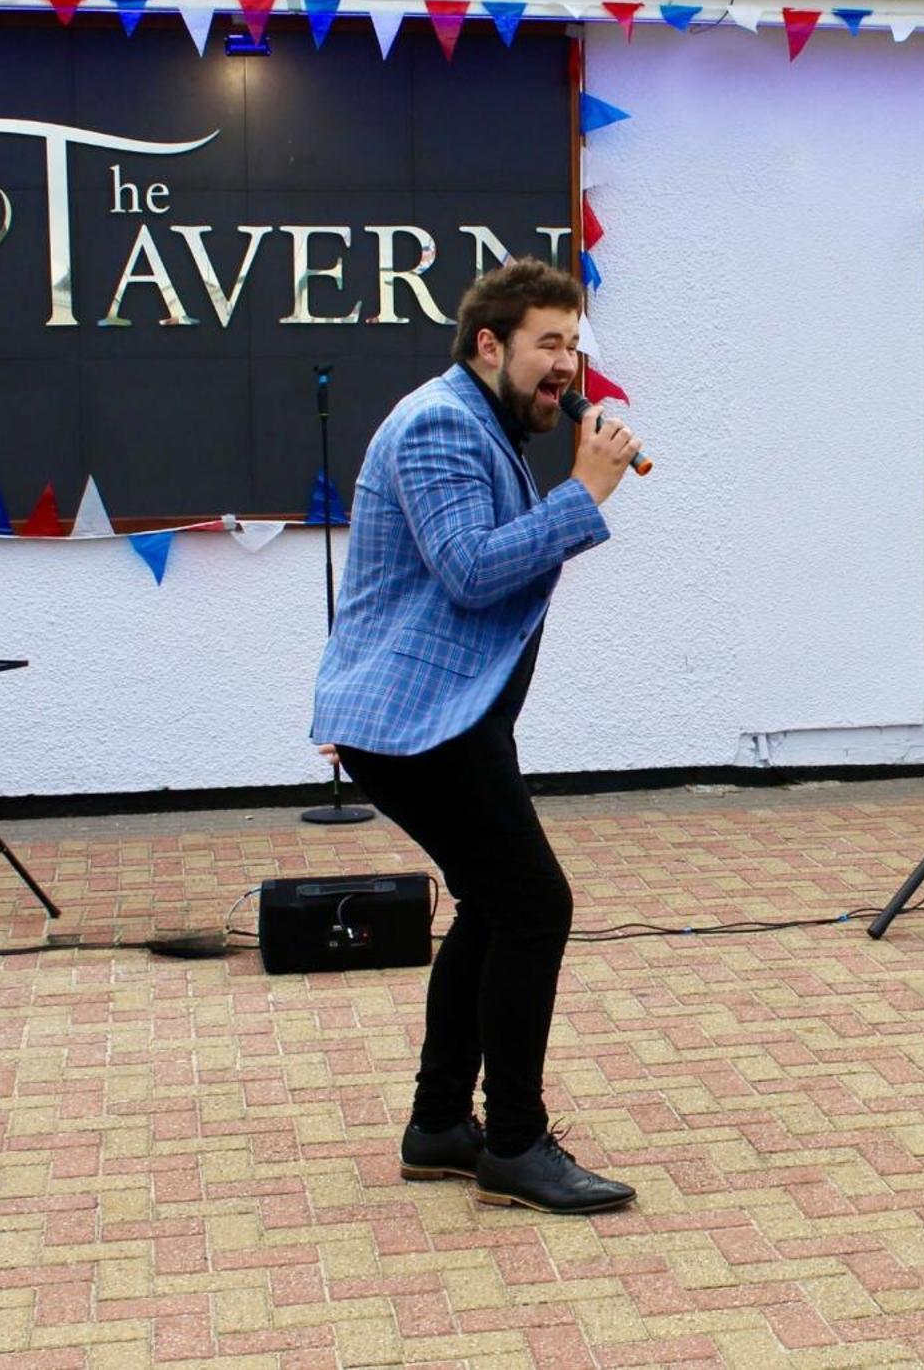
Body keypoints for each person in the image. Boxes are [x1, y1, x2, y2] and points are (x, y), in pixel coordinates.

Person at [310, 259, 641, 1215]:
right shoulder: (443, 424)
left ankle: (440, 1126)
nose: (566, 368)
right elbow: (469, 570)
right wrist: (582, 495)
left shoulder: (486, 422)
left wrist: (570, 487)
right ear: (488, 344)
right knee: (534, 904)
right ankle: (513, 1143)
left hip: (450, 717)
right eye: (548, 344)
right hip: (417, 724)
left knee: (498, 906)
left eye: (574, 346)